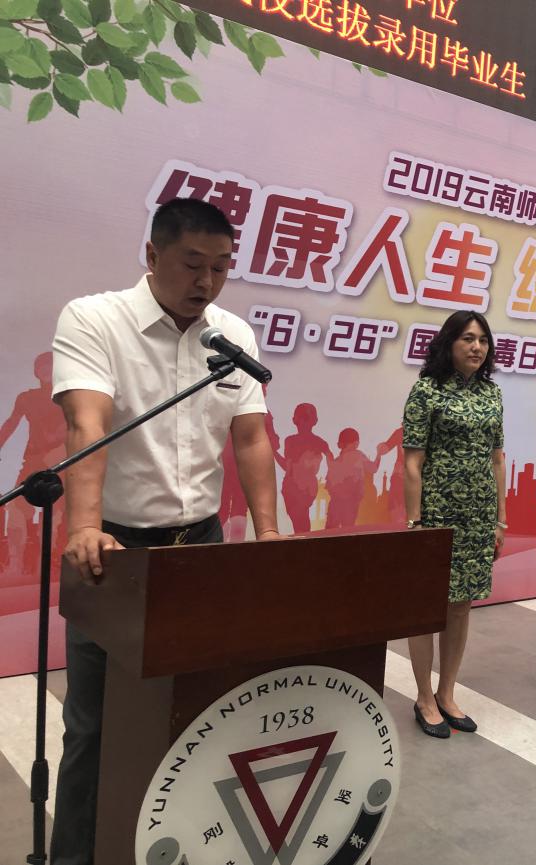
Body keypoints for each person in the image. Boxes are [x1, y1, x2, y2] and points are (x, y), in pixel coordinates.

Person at [49, 198, 279, 865]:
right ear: (151, 256)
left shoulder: (232, 336)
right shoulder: (95, 319)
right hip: (114, 551)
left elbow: (252, 437)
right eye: (192, 263)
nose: (207, 281)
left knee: (198, 711)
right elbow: (87, 424)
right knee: (95, 725)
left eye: (221, 267)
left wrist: (268, 535)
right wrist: (84, 525)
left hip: (201, 548)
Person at [402, 310, 506, 738]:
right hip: (436, 516)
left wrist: (500, 519)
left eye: (482, 339)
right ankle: (423, 697)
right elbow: (412, 462)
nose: (477, 347)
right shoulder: (426, 390)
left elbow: (497, 459)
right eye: (467, 338)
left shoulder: (492, 393)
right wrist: (415, 523)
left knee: (461, 605)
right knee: (427, 609)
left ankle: (446, 692)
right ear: (449, 343)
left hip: (478, 517)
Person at [0, 352, 67, 576]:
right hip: (34, 458)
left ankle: (46, 561)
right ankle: (17, 563)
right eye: (42, 366)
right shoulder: (27, 398)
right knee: (17, 506)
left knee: (56, 509)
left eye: (50, 365)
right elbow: (11, 423)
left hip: (61, 457)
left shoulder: (67, 395)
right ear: (36, 371)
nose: (46, 369)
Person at [277, 402, 333, 533]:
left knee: (300, 520)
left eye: (304, 418)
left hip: (296, 486)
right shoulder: (318, 442)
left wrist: (273, 452)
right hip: (299, 486)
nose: (303, 423)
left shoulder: (291, 441)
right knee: (301, 519)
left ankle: (304, 539)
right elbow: (331, 459)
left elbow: (287, 467)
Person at [325, 427, 386, 529]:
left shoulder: (336, 461)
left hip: (335, 502)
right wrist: (379, 454)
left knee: (331, 528)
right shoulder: (358, 455)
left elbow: (329, 484)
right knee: (348, 527)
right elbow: (373, 468)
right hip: (350, 500)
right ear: (356, 443)